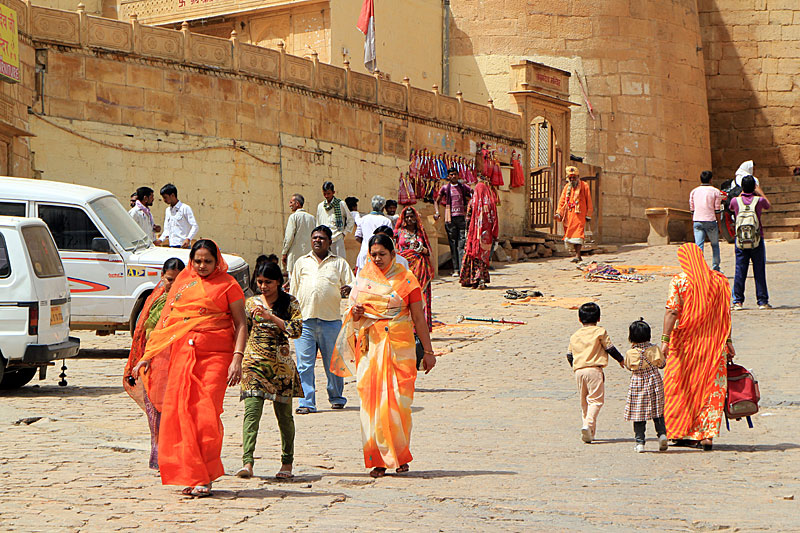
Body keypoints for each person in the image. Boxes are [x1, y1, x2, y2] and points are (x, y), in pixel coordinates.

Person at [132, 240, 247, 497]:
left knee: (206, 416)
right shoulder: (183, 285)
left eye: (208, 261)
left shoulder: (229, 285)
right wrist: (148, 356)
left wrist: (237, 359)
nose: (202, 266)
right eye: (198, 261)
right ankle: (194, 475)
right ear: (191, 262)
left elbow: (241, 324)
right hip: (184, 356)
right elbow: (168, 324)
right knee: (182, 414)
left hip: (216, 357)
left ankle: (206, 475)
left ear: (217, 262)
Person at [331, 233, 436, 478]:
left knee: (398, 403)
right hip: (370, 348)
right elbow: (351, 313)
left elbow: (419, 318)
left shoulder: (407, 279)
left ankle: (399, 455)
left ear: (393, 254)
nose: (377, 259)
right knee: (372, 403)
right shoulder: (362, 280)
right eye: (374, 254)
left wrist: (429, 351)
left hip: (400, 348)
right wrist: (355, 312)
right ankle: (377, 459)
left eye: (382, 254)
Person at [662, 243, 735, 451]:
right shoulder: (719, 281)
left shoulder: (680, 281)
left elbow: (672, 311)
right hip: (714, 345)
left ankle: (681, 430)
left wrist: (665, 339)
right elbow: (725, 314)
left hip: (685, 346)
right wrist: (728, 341)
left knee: (679, 386)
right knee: (711, 389)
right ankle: (706, 435)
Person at [236, 261, 304, 480]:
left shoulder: (290, 303)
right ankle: (247, 462)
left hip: (280, 367)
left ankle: (287, 462)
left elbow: (296, 330)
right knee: (251, 413)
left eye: (268, 282)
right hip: (254, 365)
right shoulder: (250, 303)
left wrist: (271, 317)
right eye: (260, 282)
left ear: (278, 282)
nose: (263, 286)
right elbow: (243, 330)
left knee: (284, 417)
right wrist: (237, 358)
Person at [123, 257, 185, 470]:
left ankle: (175, 455)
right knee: (154, 411)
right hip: (152, 363)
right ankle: (158, 455)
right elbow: (142, 331)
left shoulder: (186, 304)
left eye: (177, 280)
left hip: (176, 362)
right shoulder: (155, 301)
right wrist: (143, 358)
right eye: (169, 279)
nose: (172, 284)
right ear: (162, 276)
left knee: (174, 410)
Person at [289, 225, 354, 414]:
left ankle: (336, 397)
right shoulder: (301, 262)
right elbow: (293, 292)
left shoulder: (339, 263)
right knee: (304, 365)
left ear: (329, 242)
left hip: (330, 320)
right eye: (315, 238)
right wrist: (291, 318)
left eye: (322, 238)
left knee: (333, 363)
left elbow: (352, 283)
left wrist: (349, 289)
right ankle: (306, 402)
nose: (317, 241)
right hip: (305, 321)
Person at [566, 302, 624, 444]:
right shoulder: (600, 332)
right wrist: (621, 360)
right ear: (598, 318)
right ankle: (588, 424)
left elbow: (569, 355)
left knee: (584, 402)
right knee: (596, 401)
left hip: (579, 371)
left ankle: (590, 433)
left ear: (579, 319)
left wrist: (576, 366)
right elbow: (610, 348)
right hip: (594, 370)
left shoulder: (575, 335)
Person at [624, 318, 668, 453]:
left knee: (638, 413)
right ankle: (662, 435)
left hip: (638, 382)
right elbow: (662, 364)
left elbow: (628, 366)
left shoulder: (630, 353)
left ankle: (640, 442)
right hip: (654, 380)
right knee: (658, 410)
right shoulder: (655, 349)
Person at [731, 175, 771, 310]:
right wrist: (760, 192)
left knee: (740, 269)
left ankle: (738, 301)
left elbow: (731, 208)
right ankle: (762, 301)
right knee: (759, 270)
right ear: (754, 187)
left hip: (741, 240)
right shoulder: (759, 201)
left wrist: (742, 193)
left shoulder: (735, 201)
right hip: (757, 239)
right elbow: (768, 205)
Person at [395, 206, 434, 330]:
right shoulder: (398, 232)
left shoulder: (420, 233)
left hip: (420, 268)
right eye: (407, 217)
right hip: (405, 268)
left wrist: (420, 248)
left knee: (421, 296)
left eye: (411, 216)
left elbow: (428, 251)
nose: (409, 219)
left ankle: (422, 327)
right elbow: (395, 249)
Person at [460, 182, 498, 290]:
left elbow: (468, 218)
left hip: (474, 235)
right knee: (483, 258)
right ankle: (481, 278)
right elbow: (495, 219)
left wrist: (467, 232)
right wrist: (495, 235)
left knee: (473, 255)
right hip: (486, 236)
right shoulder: (491, 203)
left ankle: (474, 279)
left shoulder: (472, 202)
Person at [434, 168, 471, 276]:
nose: (453, 176)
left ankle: (462, 268)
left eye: (455, 174)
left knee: (461, 244)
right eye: (451, 174)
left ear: (458, 175)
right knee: (453, 244)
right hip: (450, 219)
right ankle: (456, 269)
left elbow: (473, 193)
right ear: (448, 176)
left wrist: (471, 208)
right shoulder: (445, 188)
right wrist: (437, 212)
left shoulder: (463, 187)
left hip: (461, 218)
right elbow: (437, 201)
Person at [555, 166, 593, 262]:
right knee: (571, 235)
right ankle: (577, 255)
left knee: (578, 234)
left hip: (580, 215)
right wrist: (558, 212)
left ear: (578, 177)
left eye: (574, 177)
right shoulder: (566, 187)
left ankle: (577, 255)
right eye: (570, 178)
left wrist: (589, 214)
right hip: (569, 215)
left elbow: (589, 200)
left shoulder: (584, 186)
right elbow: (562, 201)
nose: (572, 179)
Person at [689, 171, 722, 272]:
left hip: (697, 220)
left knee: (699, 246)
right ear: (711, 179)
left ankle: (699, 268)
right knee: (715, 245)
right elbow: (717, 210)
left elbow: (692, 209)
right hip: (710, 220)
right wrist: (719, 225)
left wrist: (693, 221)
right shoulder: (716, 191)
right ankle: (716, 268)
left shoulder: (694, 191)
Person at [316, 181, 354, 260]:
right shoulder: (320, 206)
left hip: (337, 237)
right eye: (324, 194)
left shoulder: (340, 204)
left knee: (339, 261)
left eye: (328, 193)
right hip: (324, 239)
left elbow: (350, 220)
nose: (326, 196)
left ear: (333, 192)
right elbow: (318, 223)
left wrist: (344, 233)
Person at [281, 193, 316, 277]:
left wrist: (284, 253)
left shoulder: (293, 217)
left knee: (294, 281)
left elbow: (289, 237)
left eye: (291, 202)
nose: (290, 205)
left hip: (295, 257)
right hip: (309, 256)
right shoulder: (312, 218)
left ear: (297, 203)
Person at [355, 195, 393, 271]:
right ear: (383, 208)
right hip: (380, 255)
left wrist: (367, 243)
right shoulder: (386, 221)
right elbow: (389, 239)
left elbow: (357, 237)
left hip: (365, 252)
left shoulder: (363, 219)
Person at [156, 183, 198, 249]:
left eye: (165, 197)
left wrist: (188, 239)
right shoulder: (168, 210)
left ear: (172, 195)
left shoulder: (185, 208)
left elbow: (195, 226)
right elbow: (167, 229)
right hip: (172, 245)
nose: (164, 200)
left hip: (183, 246)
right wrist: (160, 240)